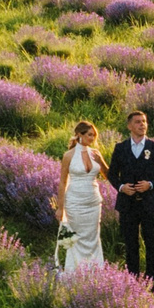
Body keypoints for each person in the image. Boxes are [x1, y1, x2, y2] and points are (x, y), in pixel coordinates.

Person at [106, 108, 154, 277]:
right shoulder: (120, 148)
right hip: (127, 205)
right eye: (138, 122)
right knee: (130, 244)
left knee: (152, 244)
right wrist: (122, 187)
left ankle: (152, 280)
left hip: (150, 204)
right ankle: (132, 280)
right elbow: (112, 174)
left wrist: (151, 184)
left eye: (144, 121)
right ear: (129, 126)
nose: (142, 125)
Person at [51, 117, 108, 280]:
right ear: (79, 135)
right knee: (76, 237)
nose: (92, 138)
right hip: (75, 202)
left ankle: (95, 273)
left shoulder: (95, 154)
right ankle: (74, 273)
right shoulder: (68, 155)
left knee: (93, 236)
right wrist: (60, 208)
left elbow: (108, 175)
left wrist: (101, 162)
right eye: (89, 135)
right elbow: (63, 182)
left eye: (94, 135)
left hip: (93, 202)